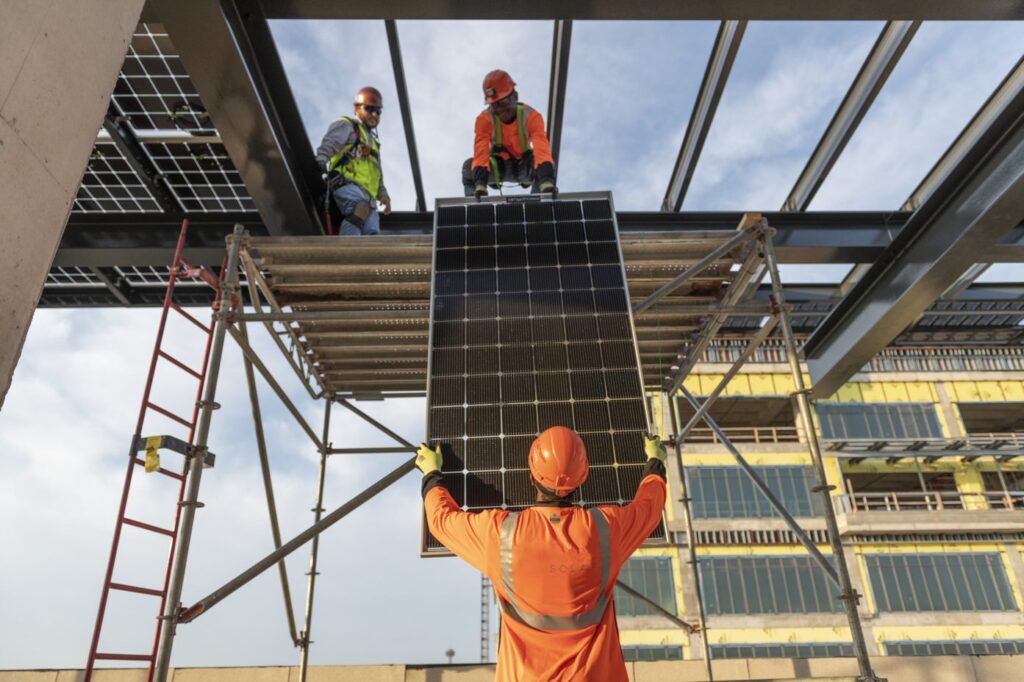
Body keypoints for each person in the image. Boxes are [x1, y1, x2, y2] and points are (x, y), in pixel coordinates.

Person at [416, 426, 668, 682]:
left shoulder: (502, 535)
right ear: (583, 477)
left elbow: (442, 520)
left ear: (531, 476)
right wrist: (655, 462)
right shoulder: (605, 530)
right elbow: (649, 508)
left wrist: (432, 473)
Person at [462, 69, 558, 199]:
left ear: (515, 97)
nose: (500, 109)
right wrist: (480, 185)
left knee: (548, 168)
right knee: (469, 168)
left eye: (503, 102)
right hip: (498, 168)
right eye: (495, 105)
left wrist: (547, 183)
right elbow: (481, 152)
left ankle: (537, 211)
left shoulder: (531, 117)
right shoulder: (484, 120)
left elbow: (542, 151)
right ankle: (478, 211)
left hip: (524, 167)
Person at [315, 86, 392, 235]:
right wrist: (321, 160)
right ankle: (346, 254)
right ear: (357, 109)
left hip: (369, 197)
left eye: (378, 111)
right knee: (359, 210)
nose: (375, 114)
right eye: (370, 109)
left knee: (372, 232)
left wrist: (383, 195)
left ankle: (365, 258)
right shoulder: (347, 125)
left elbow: (378, 176)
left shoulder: (375, 145)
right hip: (346, 184)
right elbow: (331, 143)